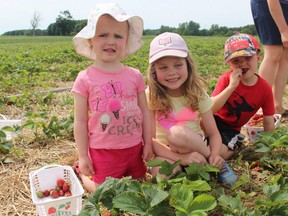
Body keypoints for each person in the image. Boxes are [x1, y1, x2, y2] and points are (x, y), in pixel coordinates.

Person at [71, 3, 153, 193]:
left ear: (126, 41)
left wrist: (148, 142)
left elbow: (145, 113)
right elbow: (80, 122)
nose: (111, 41)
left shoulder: (135, 75)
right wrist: (83, 156)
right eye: (103, 35)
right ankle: (83, 174)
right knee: (105, 193)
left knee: (138, 187)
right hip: (103, 150)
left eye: (117, 36)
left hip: (134, 148)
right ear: (90, 40)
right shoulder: (85, 78)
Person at [146, 32, 225, 176]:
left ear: (187, 64)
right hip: (165, 151)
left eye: (178, 65)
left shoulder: (197, 92)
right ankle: (192, 170)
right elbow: (149, 140)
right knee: (162, 175)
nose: (171, 72)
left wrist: (214, 154)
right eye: (163, 68)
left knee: (177, 134)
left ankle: (209, 163)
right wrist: (182, 159)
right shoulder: (150, 95)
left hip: (193, 145)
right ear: (154, 71)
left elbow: (213, 133)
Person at [211, 33, 276, 159]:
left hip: (230, 129)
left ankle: (234, 148)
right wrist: (231, 87)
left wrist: (269, 147)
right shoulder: (226, 80)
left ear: (257, 57)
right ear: (229, 64)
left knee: (217, 153)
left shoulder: (264, 88)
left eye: (247, 58)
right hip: (212, 123)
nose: (242, 64)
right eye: (236, 60)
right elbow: (210, 109)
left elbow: (268, 122)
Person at [251, 0, 288, 117]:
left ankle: (277, 105)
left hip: (284, 6)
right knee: (274, 52)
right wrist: (284, 30)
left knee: (286, 54)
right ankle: (259, 108)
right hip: (268, 5)